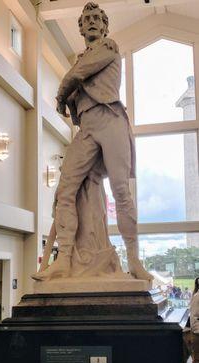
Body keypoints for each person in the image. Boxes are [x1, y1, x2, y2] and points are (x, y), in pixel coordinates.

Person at [35, 2, 152, 282]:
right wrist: (71, 101)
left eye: (96, 18)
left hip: (110, 119)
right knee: (65, 192)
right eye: (85, 18)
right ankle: (63, 259)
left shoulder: (107, 47)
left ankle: (134, 261)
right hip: (87, 127)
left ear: (104, 25)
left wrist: (61, 97)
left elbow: (76, 76)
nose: (90, 22)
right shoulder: (80, 58)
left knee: (121, 192)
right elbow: (76, 107)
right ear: (79, 27)